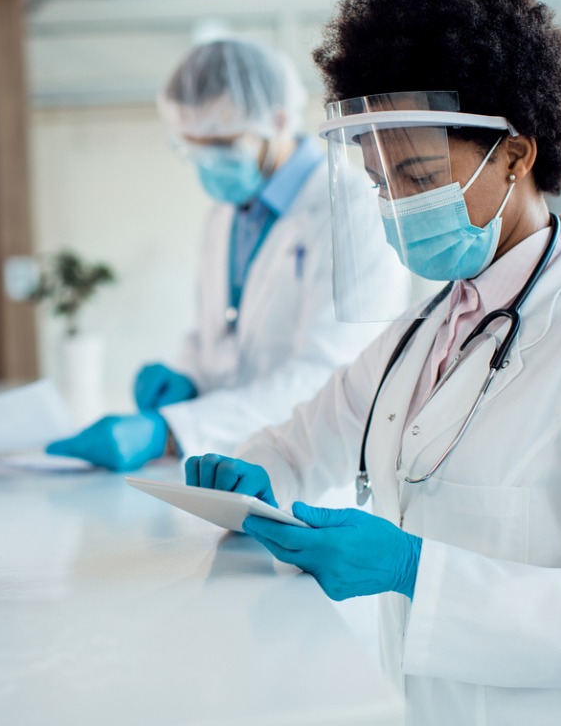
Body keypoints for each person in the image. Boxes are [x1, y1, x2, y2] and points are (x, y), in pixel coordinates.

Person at [183, 0, 561, 725]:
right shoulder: (420, 334)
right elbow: (303, 444)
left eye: (418, 175)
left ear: (517, 155)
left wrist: (416, 572)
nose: (396, 204)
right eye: (379, 182)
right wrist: (253, 472)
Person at [46, 38, 410, 472]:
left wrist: (172, 430)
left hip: (313, 474)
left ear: (278, 120)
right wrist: (189, 378)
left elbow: (330, 376)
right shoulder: (224, 216)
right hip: (226, 464)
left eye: (220, 145)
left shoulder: (353, 209)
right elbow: (215, 339)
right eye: (192, 147)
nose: (207, 164)